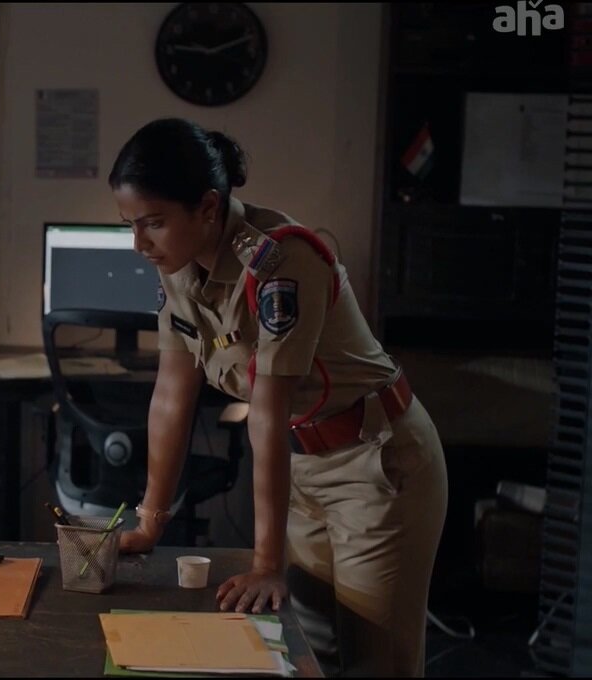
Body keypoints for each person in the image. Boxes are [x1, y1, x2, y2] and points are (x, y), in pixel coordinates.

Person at [109, 118, 448, 678]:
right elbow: (171, 394)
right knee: (312, 655)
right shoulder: (180, 266)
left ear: (208, 207)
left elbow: (266, 409)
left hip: (376, 465)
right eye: (130, 225)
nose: (139, 244)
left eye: (154, 223)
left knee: (375, 662)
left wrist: (267, 562)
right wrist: (151, 521)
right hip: (304, 466)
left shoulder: (280, 260)